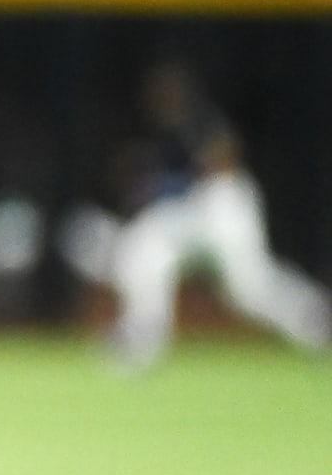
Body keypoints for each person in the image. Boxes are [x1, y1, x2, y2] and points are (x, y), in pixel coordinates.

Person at [106, 60, 329, 369]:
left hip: (223, 205)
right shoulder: (166, 129)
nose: (160, 95)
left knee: (249, 290)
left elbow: (225, 154)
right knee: (146, 251)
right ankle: (141, 336)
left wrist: (181, 184)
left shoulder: (197, 116)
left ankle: (316, 319)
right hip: (194, 211)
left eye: (167, 88)